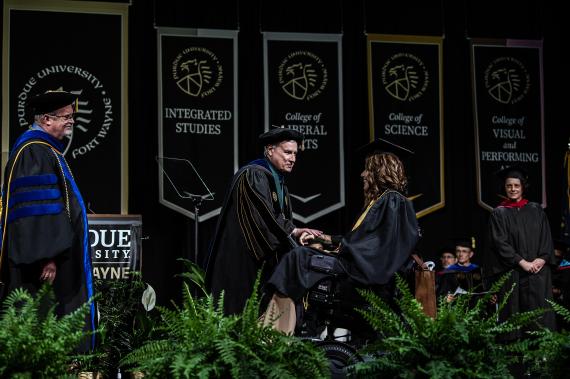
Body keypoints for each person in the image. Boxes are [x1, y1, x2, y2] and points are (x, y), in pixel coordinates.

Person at [262, 138, 420, 334]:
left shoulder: (393, 201)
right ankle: (281, 325)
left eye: (368, 169)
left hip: (365, 276)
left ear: (380, 171)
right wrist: (323, 240)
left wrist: (332, 246)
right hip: (359, 267)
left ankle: (274, 332)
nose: (363, 174)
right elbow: (360, 240)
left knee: (298, 258)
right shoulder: (385, 201)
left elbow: (376, 247)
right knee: (301, 254)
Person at [0, 90, 96, 351]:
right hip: (43, 265)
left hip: (49, 258)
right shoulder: (35, 152)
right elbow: (35, 210)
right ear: (46, 120)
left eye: (71, 116)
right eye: (66, 117)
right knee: (42, 318)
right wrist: (48, 256)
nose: (71, 122)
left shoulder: (44, 150)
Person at [205, 127, 322, 315]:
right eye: (287, 152)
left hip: (255, 263)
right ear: (269, 150)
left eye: (295, 154)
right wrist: (293, 233)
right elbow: (263, 217)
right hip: (241, 260)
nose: (292, 158)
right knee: (239, 315)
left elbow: (277, 219)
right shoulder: (253, 174)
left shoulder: (277, 179)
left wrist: (295, 235)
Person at [484, 166, 556, 338]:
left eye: (516, 185)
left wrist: (542, 259)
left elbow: (545, 237)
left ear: (523, 187)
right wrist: (522, 262)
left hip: (537, 273)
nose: (513, 189)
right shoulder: (499, 213)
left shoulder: (536, 210)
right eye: (509, 186)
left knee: (539, 318)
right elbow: (499, 243)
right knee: (513, 320)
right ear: (505, 188)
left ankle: (541, 360)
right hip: (513, 272)